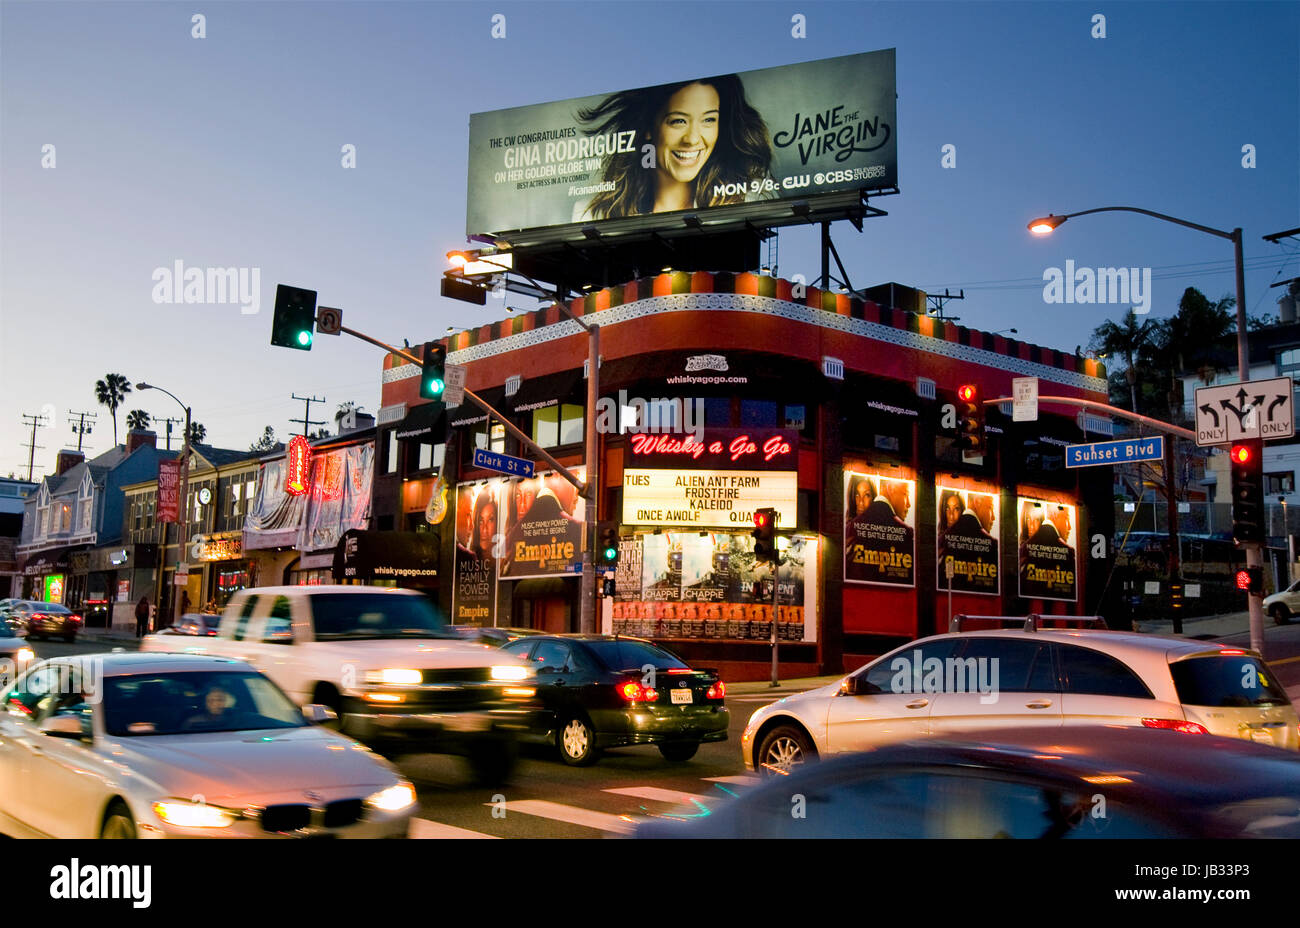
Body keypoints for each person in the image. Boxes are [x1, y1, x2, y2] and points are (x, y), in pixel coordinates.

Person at [576, 74, 774, 219]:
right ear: (648, 128)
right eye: (678, 121)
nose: (693, 139)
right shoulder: (593, 214)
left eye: (708, 120)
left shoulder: (747, 200)